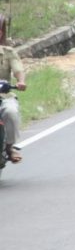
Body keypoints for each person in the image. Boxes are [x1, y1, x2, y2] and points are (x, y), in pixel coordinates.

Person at [0, 15, 26, 165]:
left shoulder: (8, 52)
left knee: (11, 112)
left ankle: (10, 147)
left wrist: (21, 81)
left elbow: (18, 69)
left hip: (4, 95)